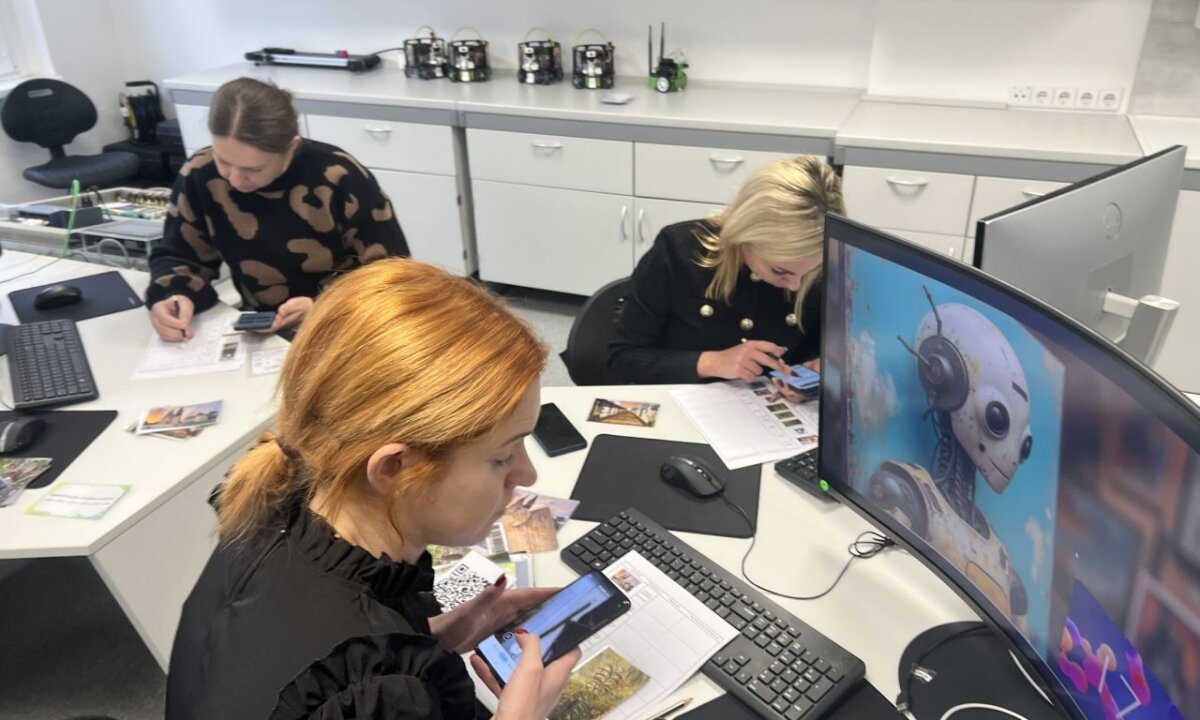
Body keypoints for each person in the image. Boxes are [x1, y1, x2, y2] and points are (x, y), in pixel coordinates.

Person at [166, 258, 579, 720]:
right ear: (395, 469)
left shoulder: (273, 502)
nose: (526, 474)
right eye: (502, 456)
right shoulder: (376, 694)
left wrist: (427, 637)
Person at [146, 77, 409, 341]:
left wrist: (324, 307)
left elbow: (394, 275)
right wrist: (174, 295)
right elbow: (179, 256)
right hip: (261, 331)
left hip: (346, 329)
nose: (235, 180)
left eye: (254, 169)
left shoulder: (339, 177)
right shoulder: (200, 173)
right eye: (223, 161)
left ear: (291, 148)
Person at [608, 156, 845, 395]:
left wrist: (814, 372)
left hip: (766, 408)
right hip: (682, 401)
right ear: (745, 235)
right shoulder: (678, 251)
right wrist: (712, 362)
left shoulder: (824, 263)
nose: (794, 285)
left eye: (809, 271)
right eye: (780, 271)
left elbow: (818, 347)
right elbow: (622, 360)